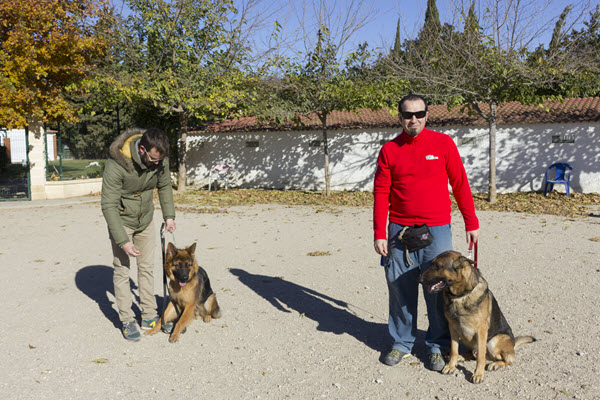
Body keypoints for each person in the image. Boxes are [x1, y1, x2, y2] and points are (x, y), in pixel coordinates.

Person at [373, 94, 480, 371]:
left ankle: (437, 344)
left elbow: (459, 183)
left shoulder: (443, 144)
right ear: (399, 117)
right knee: (400, 288)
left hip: (437, 229)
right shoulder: (389, 150)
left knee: (438, 289)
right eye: (408, 115)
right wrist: (379, 232)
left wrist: (472, 222)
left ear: (427, 115)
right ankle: (402, 343)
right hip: (399, 229)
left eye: (419, 114)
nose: (414, 119)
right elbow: (381, 192)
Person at [101, 127, 176, 342]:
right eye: (152, 158)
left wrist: (169, 215)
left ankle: (149, 315)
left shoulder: (160, 158)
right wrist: (123, 241)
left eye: (159, 160)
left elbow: (164, 186)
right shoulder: (117, 163)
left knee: (146, 268)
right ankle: (127, 319)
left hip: (145, 219)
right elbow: (108, 205)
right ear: (141, 149)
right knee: (123, 269)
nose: (156, 163)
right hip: (122, 221)